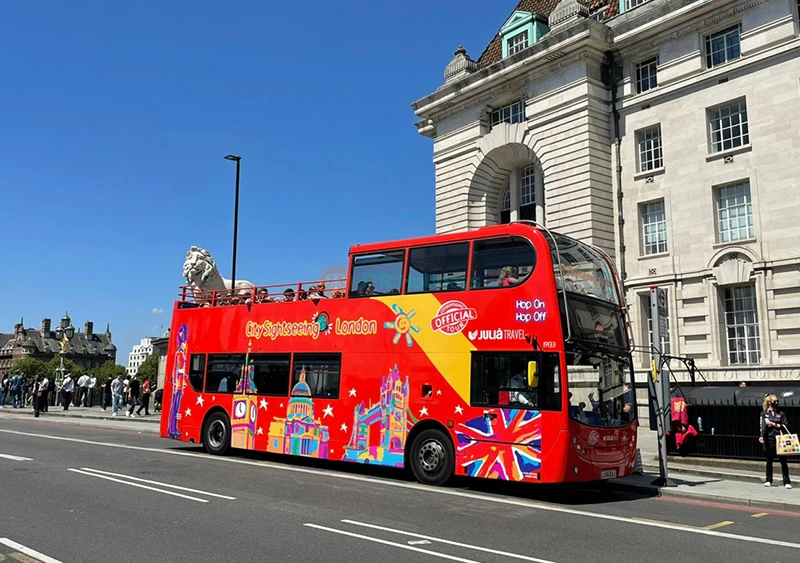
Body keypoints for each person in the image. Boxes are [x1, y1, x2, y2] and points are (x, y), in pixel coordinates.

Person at [760, 394, 792, 489]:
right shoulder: (764, 413)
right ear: (769, 402)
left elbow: (784, 425)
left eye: (777, 401)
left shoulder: (780, 413)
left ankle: (786, 481)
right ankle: (768, 480)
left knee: (783, 461)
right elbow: (762, 426)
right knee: (769, 460)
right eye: (775, 401)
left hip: (780, 439)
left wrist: (773, 424)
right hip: (769, 439)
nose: (776, 403)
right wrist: (761, 436)